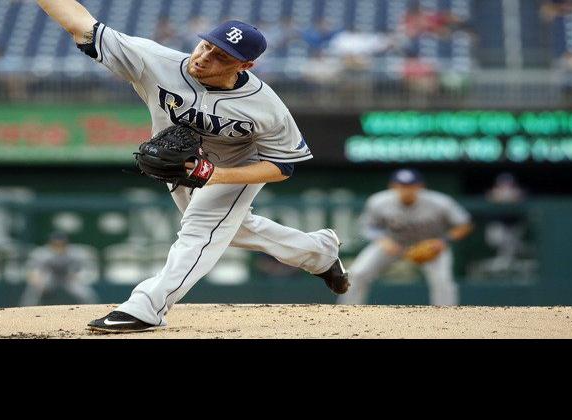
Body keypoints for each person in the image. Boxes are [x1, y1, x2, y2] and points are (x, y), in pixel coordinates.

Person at [36, 0, 350, 333]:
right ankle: (319, 253)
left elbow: (282, 168)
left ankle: (147, 307)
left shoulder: (266, 108)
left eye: (221, 56)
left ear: (247, 65)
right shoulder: (156, 61)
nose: (204, 57)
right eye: (206, 45)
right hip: (180, 166)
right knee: (232, 229)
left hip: (238, 165)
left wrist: (216, 176)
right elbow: (80, 25)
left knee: (200, 231)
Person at [338, 169, 473, 306]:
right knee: (358, 273)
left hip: (430, 246)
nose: (406, 190)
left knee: (443, 281)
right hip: (394, 243)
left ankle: (447, 318)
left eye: (411, 185)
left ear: (420, 186)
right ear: (393, 186)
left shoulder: (440, 202)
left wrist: (444, 241)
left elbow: (464, 224)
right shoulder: (378, 201)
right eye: (401, 185)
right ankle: (348, 311)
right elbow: (367, 227)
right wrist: (383, 240)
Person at [19, 232, 99, 306]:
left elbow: (87, 267)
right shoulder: (42, 253)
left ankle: (92, 311)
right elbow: (32, 269)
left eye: (61, 243)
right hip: (49, 277)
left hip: (69, 278)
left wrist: (79, 276)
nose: (59, 245)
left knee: (86, 293)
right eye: (56, 243)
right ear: (50, 242)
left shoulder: (75, 252)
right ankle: (25, 310)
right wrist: (37, 280)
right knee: (33, 291)